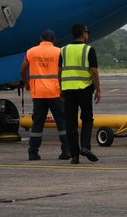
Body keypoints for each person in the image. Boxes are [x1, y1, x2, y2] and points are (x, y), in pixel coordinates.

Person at [20, 29, 70, 161]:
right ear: (54, 40)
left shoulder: (31, 52)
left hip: (38, 93)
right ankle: (66, 150)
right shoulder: (59, 52)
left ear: (41, 39)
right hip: (55, 92)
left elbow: (22, 70)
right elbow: (62, 71)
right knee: (61, 122)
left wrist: (27, 83)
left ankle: (33, 152)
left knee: (37, 124)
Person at [60, 22, 101, 164]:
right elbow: (94, 72)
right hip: (84, 89)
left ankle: (75, 156)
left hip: (68, 90)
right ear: (83, 33)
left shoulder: (63, 50)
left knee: (70, 123)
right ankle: (85, 147)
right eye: (87, 32)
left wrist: (61, 89)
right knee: (87, 119)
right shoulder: (89, 50)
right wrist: (98, 90)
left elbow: (59, 71)